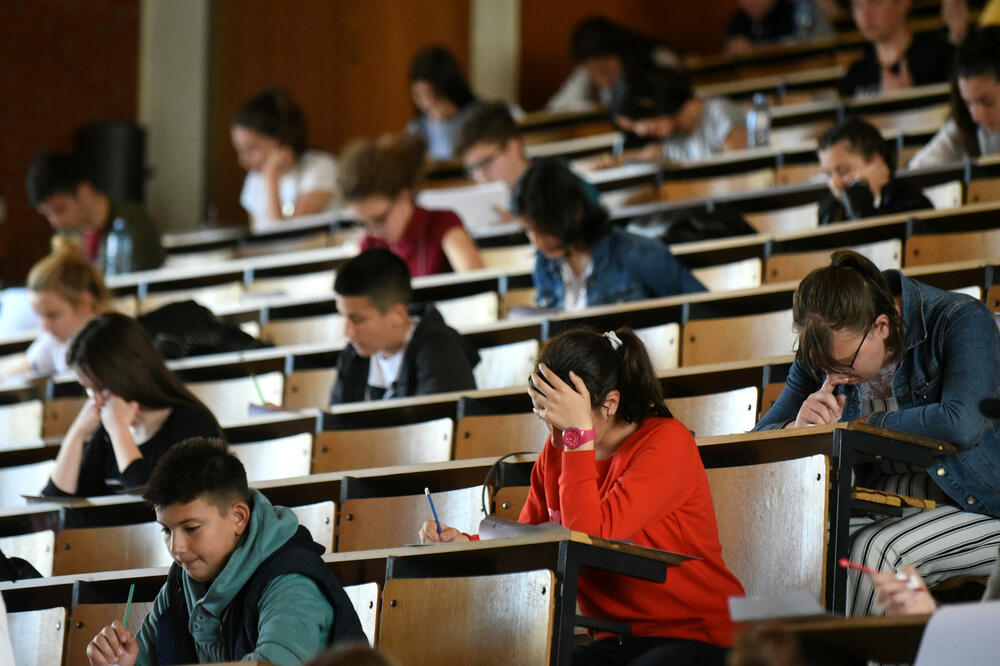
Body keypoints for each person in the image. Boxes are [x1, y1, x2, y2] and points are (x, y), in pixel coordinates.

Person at [420, 327, 745, 665]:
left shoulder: (667, 443)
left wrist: (578, 437)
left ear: (610, 404)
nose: (554, 435)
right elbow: (529, 545)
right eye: (545, 416)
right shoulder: (559, 448)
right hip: (619, 639)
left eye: (564, 420)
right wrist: (466, 544)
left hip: (697, 633)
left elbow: (587, 535)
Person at [753, 251, 1000, 616]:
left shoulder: (958, 319)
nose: (834, 376)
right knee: (791, 542)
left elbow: (959, 423)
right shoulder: (828, 347)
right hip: (884, 503)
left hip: (975, 504)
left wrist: (857, 428)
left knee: (875, 554)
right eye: (823, 367)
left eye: (844, 366)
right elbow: (758, 440)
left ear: (882, 326)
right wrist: (797, 428)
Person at [84, 438, 367, 665]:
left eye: (192, 528)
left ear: (238, 518)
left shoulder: (291, 580)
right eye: (167, 531)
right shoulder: (178, 586)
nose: (176, 548)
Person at [41, 313, 221, 498]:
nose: (97, 402)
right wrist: (77, 433)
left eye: (101, 388)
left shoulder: (192, 423)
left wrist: (120, 431)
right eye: (89, 390)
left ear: (136, 368)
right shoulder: (106, 431)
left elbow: (156, 506)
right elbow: (56, 503)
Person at [511, 159, 705, 310]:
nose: (535, 241)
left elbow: (702, 312)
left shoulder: (640, 254)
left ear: (575, 212)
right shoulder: (544, 265)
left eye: (544, 230)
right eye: (529, 230)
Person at [329, 249, 478, 405]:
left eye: (358, 319)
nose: (347, 332)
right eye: (343, 317)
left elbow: (435, 426)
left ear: (398, 314)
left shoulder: (440, 350)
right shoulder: (352, 356)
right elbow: (334, 424)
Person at [337, 133, 484, 277]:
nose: (373, 232)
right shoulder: (371, 244)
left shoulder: (443, 225)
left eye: (379, 219)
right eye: (362, 223)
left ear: (403, 195)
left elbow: (477, 286)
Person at [25, 152, 165, 272]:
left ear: (84, 191)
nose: (55, 222)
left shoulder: (133, 226)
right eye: (48, 214)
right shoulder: (67, 238)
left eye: (60, 209)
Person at [587, 65, 746, 168]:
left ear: (648, 102)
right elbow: (649, 153)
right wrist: (613, 162)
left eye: (638, 121)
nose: (642, 131)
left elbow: (741, 169)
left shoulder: (719, 113)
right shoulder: (674, 134)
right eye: (634, 129)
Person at [1, 238, 112, 380]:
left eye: (52, 315)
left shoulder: (112, 345)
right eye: (40, 316)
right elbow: (25, 366)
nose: (45, 327)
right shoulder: (58, 339)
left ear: (85, 302)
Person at [231, 89, 339, 232]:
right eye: (240, 150)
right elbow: (258, 237)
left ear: (281, 138)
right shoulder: (254, 178)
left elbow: (285, 238)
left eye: (251, 149)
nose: (242, 160)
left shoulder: (321, 168)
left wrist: (271, 176)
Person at [453, 101, 600, 202]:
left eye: (485, 163)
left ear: (513, 146)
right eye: (472, 168)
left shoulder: (559, 179)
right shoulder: (480, 202)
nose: (481, 176)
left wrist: (523, 223)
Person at [908, 26, 1000, 168]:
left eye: (987, 102)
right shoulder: (965, 124)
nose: (976, 116)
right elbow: (918, 169)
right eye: (968, 103)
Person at [546, 16, 681, 113]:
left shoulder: (658, 61)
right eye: (594, 73)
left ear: (621, 54)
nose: (602, 78)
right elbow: (555, 110)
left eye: (605, 68)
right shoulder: (586, 73)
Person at [816, 117, 933, 225]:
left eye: (843, 172)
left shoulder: (913, 204)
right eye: (829, 175)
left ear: (876, 162)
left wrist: (860, 195)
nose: (835, 183)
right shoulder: (830, 210)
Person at [839, 0, 954, 98]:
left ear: (903, 3)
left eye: (875, 2)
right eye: (857, 5)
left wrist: (908, 99)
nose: (865, 15)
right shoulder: (855, 74)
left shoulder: (939, 59)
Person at [406, 47, 479, 161]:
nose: (427, 102)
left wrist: (442, 125)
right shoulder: (417, 129)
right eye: (418, 95)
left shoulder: (478, 116)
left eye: (432, 94)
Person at [726, 0, 834, 54]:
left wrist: (757, 50)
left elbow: (814, 49)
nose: (751, 1)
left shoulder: (797, 9)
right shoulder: (737, 21)